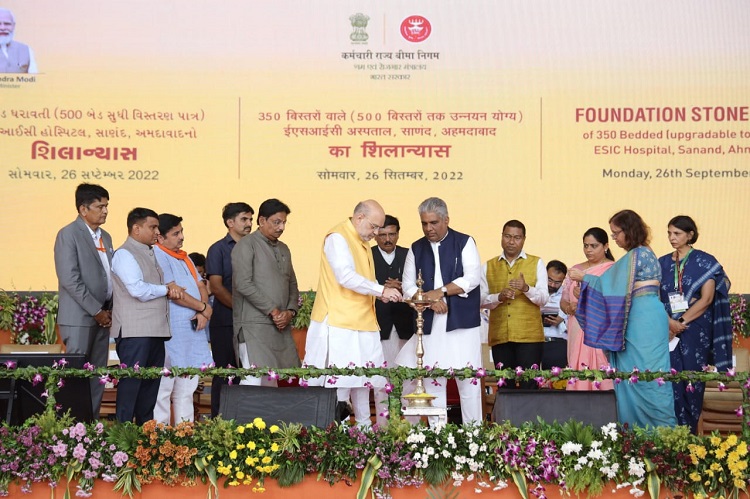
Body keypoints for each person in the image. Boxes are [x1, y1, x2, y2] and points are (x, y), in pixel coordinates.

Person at [571, 209, 676, 428]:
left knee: (643, 376)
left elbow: (610, 285)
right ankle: (653, 434)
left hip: (641, 319)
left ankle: (652, 433)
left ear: (629, 230)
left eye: (616, 233)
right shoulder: (646, 252)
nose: (615, 238)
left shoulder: (636, 255)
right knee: (645, 375)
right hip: (647, 315)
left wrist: (584, 278)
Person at [304, 200, 402, 427]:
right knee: (341, 382)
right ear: (359, 218)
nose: (376, 233)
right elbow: (345, 277)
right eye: (374, 227)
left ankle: (364, 432)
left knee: (364, 381)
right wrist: (381, 290)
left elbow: (364, 280)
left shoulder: (361, 240)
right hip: (340, 322)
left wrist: (381, 292)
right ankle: (336, 435)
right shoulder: (338, 237)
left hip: (363, 321)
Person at [395, 197, 483, 425]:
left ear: (446, 220)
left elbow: (472, 278)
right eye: (424, 223)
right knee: (434, 380)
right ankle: (438, 435)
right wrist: (428, 300)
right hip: (430, 323)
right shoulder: (416, 248)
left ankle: (474, 434)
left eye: (433, 223)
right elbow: (408, 287)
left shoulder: (465, 242)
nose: (428, 228)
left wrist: (440, 292)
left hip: (462, 325)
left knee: (468, 380)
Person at [658, 215, 733, 433]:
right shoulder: (662, 263)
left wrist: (680, 322)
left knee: (692, 380)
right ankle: (671, 434)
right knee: (669, 380)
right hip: (667, 329)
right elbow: (654, 298)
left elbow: (707, 299)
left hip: (695, 329)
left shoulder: (705, 262)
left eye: (677, 233)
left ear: (690, 235)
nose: (672, 238)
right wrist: (669, 323)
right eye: (669, 233)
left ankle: (690, 435)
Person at [111, 208, 183, 424]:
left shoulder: (150, 253)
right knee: (131, 388)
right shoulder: (125, 254)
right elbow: (137, 289)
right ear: (136, 228)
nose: (157, 232)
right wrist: (167, 289)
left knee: (150, 390)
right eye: (152, 227)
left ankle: (145, 435)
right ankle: (122, 436)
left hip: (154, 331)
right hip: (135, 332)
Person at [54, 183, 113, 417]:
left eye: (106, 206)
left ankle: (90, 424)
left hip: (103, 316)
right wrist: (96, 310)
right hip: (80, 317)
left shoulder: (106, 236)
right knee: (75, 375)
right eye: (100, 206)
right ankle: (69, 427)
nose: (105, 211)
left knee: (97, 376)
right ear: (83, 209)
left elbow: (109, 275)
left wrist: (107, 310)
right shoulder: (68, 234)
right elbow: (70, 279)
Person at [232, 199, 301, 386]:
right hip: (254, 326)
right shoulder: (246, 245)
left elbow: (292, 284)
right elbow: (243, 284)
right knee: (253, 381)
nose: (281, 227)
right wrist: (274, 311)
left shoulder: (284, 248)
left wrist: (290, 312)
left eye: (284, 222)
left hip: (279, 327)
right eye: (276, 222)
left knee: (272, 383)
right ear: (262, 221)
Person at [153, 214, 213, 424]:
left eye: (181, 232)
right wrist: (203, 308)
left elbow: (201, 285)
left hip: (191, 332)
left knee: (187, 388)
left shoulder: (184, 257)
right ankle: (159, 436)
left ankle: (184, 435)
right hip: (170, 332)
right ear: (160, 237)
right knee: (163, 388)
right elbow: (174, 293)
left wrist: (203, 312)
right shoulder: (158, 255)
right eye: (176, 233)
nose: (182, 237)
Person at [481, 220, 549, 389]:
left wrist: (526, 288)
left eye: (517, 238)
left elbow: (543, 298)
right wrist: (498, 297)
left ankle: (529, 409)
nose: (511, 241)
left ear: (524, 239)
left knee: (529, 384)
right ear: (501, 237)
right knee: (504, 386)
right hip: (500, 336)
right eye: (507, 236)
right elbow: (480, 300)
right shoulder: (488, 266)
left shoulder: (536, 263)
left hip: (530, 337)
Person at [205, 202, 254, 417]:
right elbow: (216, 287)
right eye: (244, 219)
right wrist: (240, 309)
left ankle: (245, 421)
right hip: (226, 320)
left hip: (253, 322)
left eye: (251, 219)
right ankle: (220, 422)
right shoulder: (218, 249)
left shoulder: (255, 247)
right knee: (225, 373)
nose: (249, 223)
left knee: (250, 373)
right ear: (230, 222)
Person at [371, 215, 415, 426]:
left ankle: (413, 430)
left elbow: (422, 286)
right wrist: (382, 289)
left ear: (398, 234)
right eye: (382, 235)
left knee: (410, 380)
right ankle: (383, 430)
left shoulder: (409, 255)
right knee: (381, 381)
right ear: (375, 235)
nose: (387, 239)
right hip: (380, 327)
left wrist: (403, 287)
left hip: (407, 327)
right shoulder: (367, 256)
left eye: (391, 234)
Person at [562, 228, 615, 391]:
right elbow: (564, 299)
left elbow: (615, 301)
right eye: (586, 246)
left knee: (601, 369)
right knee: (578, 368)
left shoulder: (613, 269)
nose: (588, 250)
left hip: (600, 329)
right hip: (577, 327)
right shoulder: (575, 269)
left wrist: (587, 296)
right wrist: (568, 307)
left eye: (594, 246)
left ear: (605, 246)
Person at [541, 260, 568, 371]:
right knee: (531, 378)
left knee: (555, 379)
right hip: (533, 342)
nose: (552, 285)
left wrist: (561, 322)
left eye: (557, 282)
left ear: (563, 280)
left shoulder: (568, 295)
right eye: (549, 280)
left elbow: (576, 323)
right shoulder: (535, 292)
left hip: (557, 344)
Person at [0, 8, 37, 73]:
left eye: (7, 24)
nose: (2, 28)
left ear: (13, 26)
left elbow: (34, 77)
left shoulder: (26, 49)